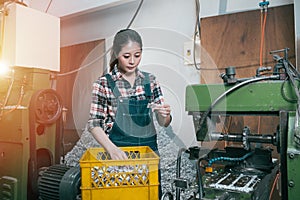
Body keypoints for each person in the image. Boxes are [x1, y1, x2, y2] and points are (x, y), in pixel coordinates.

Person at [87, 28, 172, 197]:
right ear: (117, 54)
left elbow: (164, 122)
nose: (133, 61)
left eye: (137, 55)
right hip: (120, 152)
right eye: (127, 56)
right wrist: (111, 150)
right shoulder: (104, 84)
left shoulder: (150, 80)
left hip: (149, 153)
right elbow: (94, 124)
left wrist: (165, 115)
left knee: (150, 194)